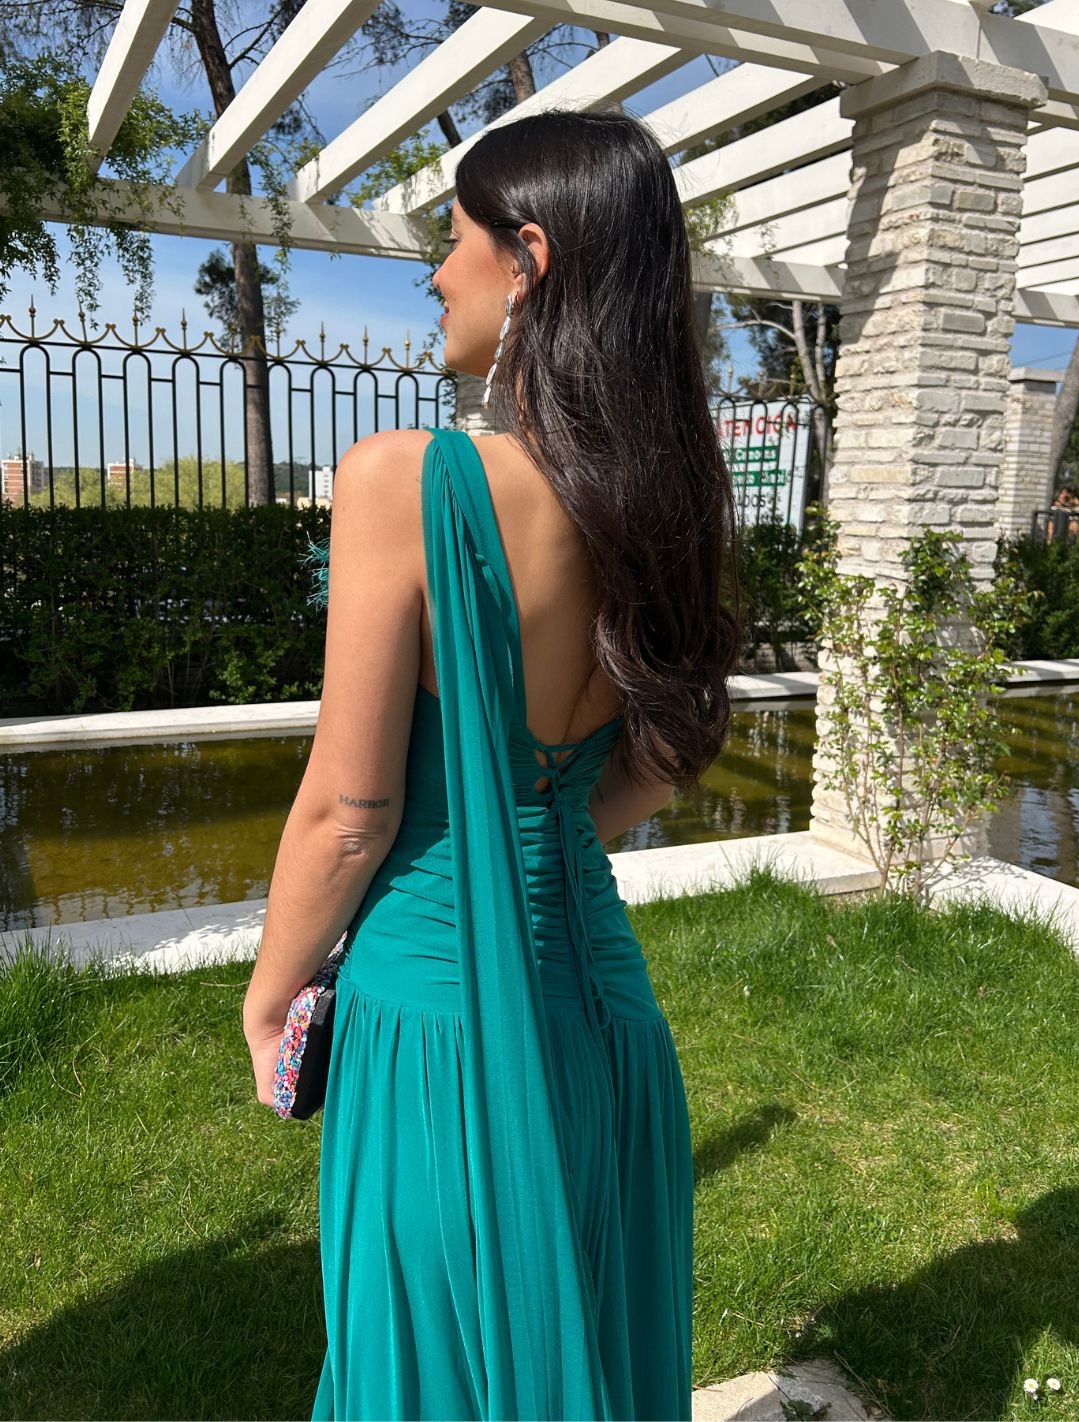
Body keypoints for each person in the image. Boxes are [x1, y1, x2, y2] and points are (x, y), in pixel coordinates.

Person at [242, 105, 742, 1421]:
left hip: (436, 1030)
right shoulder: (662, 498)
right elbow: (656, 765)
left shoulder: (404, 480)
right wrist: (541, 828)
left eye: (451, 239)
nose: (431, 274)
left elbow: (351, 811)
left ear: (528, 258)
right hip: (610, 1026)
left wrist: (270, 996)